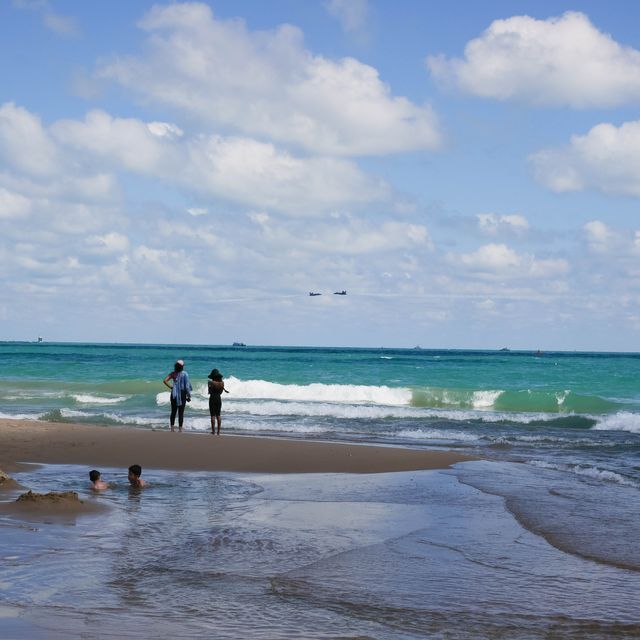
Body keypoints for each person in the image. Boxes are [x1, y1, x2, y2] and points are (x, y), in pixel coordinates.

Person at [163, 359, 192, 432]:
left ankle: (172, 429)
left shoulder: (173, 373)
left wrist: (171, 387)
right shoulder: (185, 374)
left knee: (173, 412)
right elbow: (187, 386)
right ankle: (180, 429)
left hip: (174, 393)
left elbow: (165, 380)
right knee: (181, 412)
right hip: (182, 394)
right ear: (182, 367)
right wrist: (189, 396)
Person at [208, 368, 229, 435]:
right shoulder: (222, 383)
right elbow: (221, 392)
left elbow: (209, 392)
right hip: (218, 398)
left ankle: (213, 431)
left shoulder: (211, 382)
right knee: (218, 415)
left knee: (212, 415)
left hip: (212, 398)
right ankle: (218, 432)